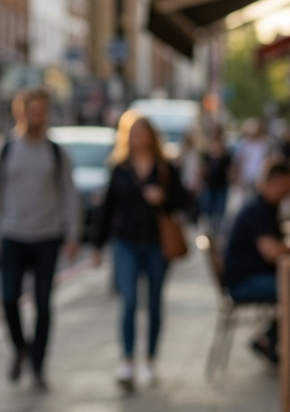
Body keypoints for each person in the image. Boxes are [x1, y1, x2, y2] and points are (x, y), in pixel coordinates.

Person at [96, 112, 188, 391]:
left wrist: (164, 198)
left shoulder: (165, 168)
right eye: (134, 133)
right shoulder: (120, 169)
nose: (139, 139)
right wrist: (97, 245)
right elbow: (107, 209)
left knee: (154, 302)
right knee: (129, 302)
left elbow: (185, 200)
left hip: (156, 242)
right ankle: (127, 361)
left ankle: (150, 359)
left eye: (144, 132)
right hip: (125, 242)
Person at [0, 87, 79, 389]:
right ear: (21, 112)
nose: (38, 116)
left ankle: (38, 364)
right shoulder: (8, 150)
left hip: (47, 236)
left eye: (43, 110)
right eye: (33, 110)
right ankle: (21, 347)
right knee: (9, 300)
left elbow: (69, 195)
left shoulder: (56, 153)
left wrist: (72, 233)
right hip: (13, 235)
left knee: (44, 305)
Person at [222, 160, 290, 363]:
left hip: (252, 276)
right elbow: (272, 252)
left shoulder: (267, 207)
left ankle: (270, 340)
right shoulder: (258, 209)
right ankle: (271, 341)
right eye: (289, 184)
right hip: (244, 282)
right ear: (277, 181)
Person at [199, 125, 231, 236]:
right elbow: (202, 170)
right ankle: (210, 234)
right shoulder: (206, 152)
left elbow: (229, 170)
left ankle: (216, 234)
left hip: (221, 185)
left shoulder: (226, 152)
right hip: (209, 185)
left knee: (219, 212)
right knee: (208, 212)